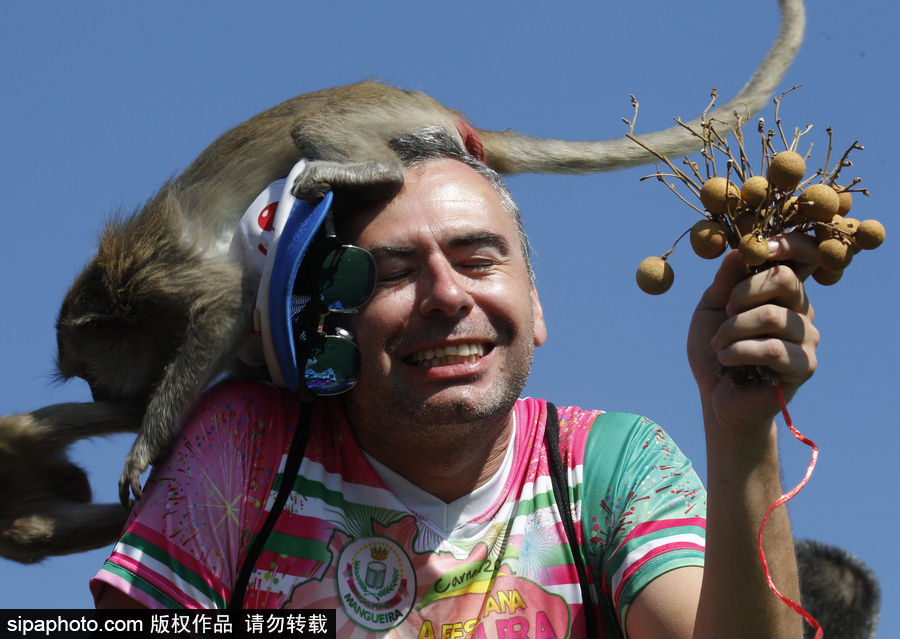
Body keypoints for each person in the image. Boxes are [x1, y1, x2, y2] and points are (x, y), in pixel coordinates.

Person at [92, 128, 819, 639]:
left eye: (478, 261)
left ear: (536, 305)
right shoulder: (248, 446)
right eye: (392, 272)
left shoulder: (609, 464)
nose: (445, 295)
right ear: (328, 321)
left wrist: (739, 433)